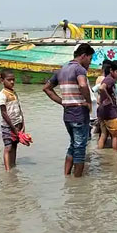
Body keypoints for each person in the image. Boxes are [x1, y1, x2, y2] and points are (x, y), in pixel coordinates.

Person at [42, 43, 95, 177]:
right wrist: (88, 101)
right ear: (83, 56)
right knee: (80, 149)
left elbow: (47, 88)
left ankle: (67, 177)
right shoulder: (79, 69)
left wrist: (63, 102)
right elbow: (83, 85)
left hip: (67, 115)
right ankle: (77, 182)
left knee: (73, 145)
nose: (90, 62)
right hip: (79, 113)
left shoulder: (62, 70)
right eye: (90, 58)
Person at [96, 60, 117, 150]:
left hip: (102, 110)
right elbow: (102, 88)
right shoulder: (110, 80)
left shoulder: (106, 79)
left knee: (103, 134)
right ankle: (115, 156)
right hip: (110, 111)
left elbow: (99, 89)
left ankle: (99, 153)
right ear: (111, 70)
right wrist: (109, 99)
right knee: (116, 135)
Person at [0, 69, 25, 170]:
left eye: (13, 80)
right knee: (8, 148)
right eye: (9, 80)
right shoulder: (2, 95)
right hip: (8, 126)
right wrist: (13, 127)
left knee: (14, 146)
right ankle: (8, 170)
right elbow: (4, 112)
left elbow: (19, 108)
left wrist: (23, 124)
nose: (12, 82)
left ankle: (13, 165)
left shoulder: (14, 93)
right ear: (2, 81)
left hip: (17, 123)